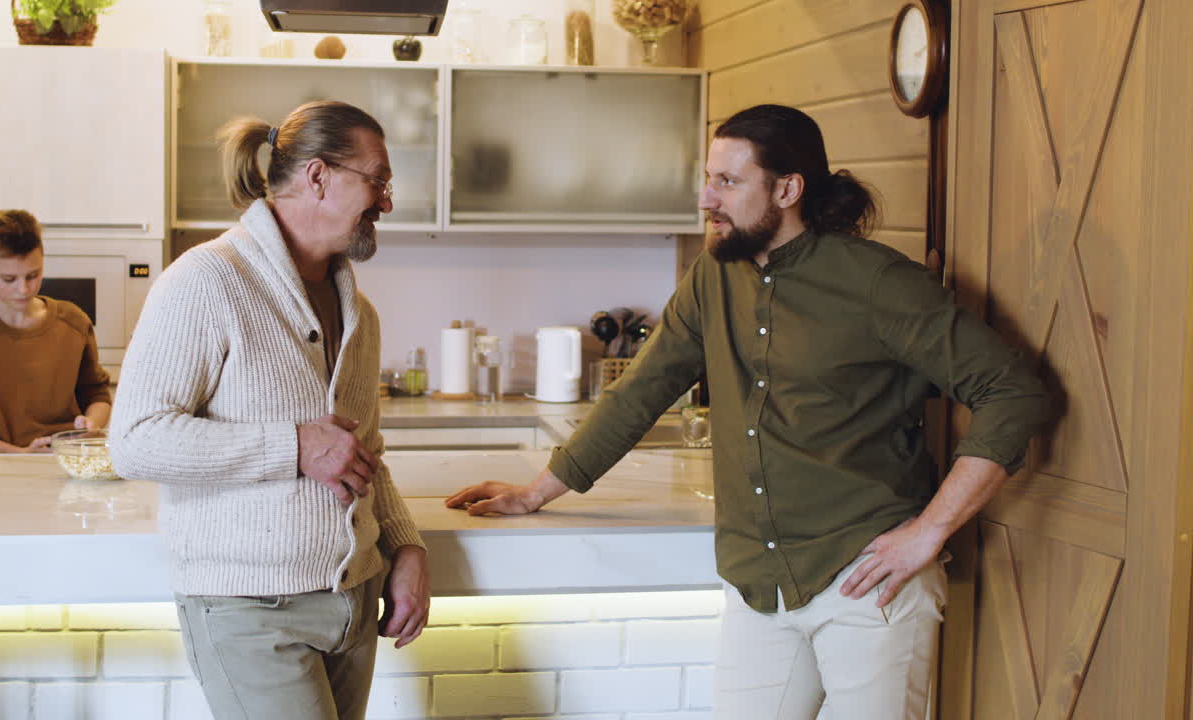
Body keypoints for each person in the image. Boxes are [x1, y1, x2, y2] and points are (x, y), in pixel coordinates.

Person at [446, 104, 1051, 720]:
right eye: (708, 179)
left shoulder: (877, 283)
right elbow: (641, 390)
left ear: (788, 189)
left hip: (869, 585)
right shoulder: (712, 276)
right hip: (758, 586)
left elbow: (1012, 392)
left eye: (728, 182)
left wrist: (931, 530)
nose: (708, 198)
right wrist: (536, 493)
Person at [109, 101, 429, 720]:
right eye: (378, 180)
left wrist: (405, 546)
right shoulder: (205, 282)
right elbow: (135, 440)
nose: (386, 202)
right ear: (319, 176)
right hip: (248, 611)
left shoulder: (360, 313)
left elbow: (366, 458)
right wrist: (295, 447)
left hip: (353, 605)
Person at [0, 209, 112, 453]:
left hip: (68, 463)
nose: (23, 289)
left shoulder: (74, 322)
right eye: (8, 279)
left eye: (33, 275)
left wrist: (91, 424)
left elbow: (96, 396)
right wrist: (19, 454)